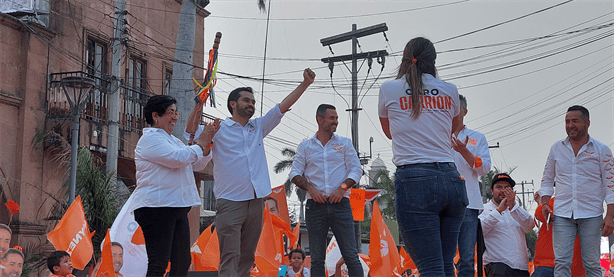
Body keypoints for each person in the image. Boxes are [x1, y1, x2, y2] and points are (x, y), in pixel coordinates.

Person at [211, 68, 315, 277]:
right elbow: (191, 134)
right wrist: (197, 104)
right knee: (230, 256)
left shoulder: (257, 127)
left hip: (256, 201)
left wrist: (305, 84)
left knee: (247, 257)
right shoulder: (218, 129)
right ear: (233, 104)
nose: (251, 104)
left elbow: (281, 108)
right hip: (230, 201)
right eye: (246, 100)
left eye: (253, 102)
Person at [378, 36, 466, 276]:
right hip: (451, 179)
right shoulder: (450, 90)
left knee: (431, 268)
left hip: (415, 179)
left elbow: (389, 132)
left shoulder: (388, 89)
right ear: (434, 60)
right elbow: (453, 127)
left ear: (406, 58)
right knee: (446, 265)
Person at [129, 95, 220, 276]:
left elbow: (196, 164)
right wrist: (200, 144)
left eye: (176, 113)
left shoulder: (174, 141)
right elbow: (178, 159)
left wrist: (207, 143)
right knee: (159, 262)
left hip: (176, 207)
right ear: (156, 115)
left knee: (182, 261)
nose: (175, 117)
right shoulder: (150, 139)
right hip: (156, 207)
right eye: (171, 113)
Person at [540, 105, 614, 277]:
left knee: (592, 264)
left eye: (575, 121)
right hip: (562, 214)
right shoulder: (556, 149)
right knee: (561, 263)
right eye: (567, 122)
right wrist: (544, 203)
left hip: (592, 214)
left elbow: (611, 186)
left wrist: (610, 216)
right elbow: (547, 180)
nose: (570, 125)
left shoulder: (602, 150)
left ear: (587, 123)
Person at [290, 104, 364, 276]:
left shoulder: (344, 143)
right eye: (332, 118)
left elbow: (356, 169)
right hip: (315, 206)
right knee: (316, 259)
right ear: (319, 119)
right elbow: (294, 173)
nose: (335, 122)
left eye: (336, 118)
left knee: (350, 255)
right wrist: (310, 188)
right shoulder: (306, 146)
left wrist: (342, 187)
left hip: (341, 204)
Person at [451, 94, 492, 277]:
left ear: (465, 111)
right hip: (443, 202)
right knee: (444, 256)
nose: (452, 111)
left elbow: (484, 168)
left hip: (469, 203)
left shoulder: (477, 138)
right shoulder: (438, 136)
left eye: (456, 107)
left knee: (467, 257)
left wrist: (464, 151)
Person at [479, 173, 534, 277]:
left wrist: (513, 206)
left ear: (512, 192)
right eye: (499, 187)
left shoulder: (517, 210)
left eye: (507, 187)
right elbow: (479, 229)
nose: (503, 191)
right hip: (498, 266)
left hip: (521, 267)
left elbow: (530, 226)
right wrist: (499, 211)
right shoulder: (484, 209)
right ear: (492, 191)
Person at [532, 192, 585, 277]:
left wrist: (542, 203)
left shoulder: (557, 202)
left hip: (549, 263)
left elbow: (540, 214)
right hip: (574, 267)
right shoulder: (587, 205)